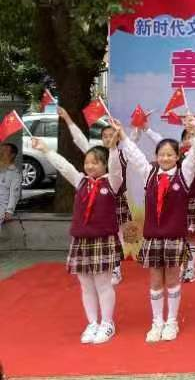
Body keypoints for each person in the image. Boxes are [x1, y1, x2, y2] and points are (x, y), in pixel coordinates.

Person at [116, 117, 195, 342]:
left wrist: (194, 131)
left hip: (174, 238)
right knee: (155, 281)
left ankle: (172, 321)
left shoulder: (184, 173)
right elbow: (134, 155)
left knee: (172, 279)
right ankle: (157, 322)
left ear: (178, 157)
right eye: (162, 154)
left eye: (170, 154)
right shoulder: (149, 173)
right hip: (153, 239)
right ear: (156, 156)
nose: (165, 158)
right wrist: (122, 135)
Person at [30, 137, 122, 344]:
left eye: (95, 162)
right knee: (86, 285)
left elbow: (116, 168)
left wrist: (114, 149)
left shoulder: (112, 182)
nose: (89, 166)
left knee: (103, 284)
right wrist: (45, 150)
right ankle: (92, 323)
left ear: (104, 164)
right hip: (81, 240)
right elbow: (64, 166)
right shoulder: (81, 181)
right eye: (87, 162)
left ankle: (107, 323)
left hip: (102, 240)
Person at [59, 107, 131, 285]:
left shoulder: (123, 153)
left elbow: (133, 141)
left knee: (117, 233)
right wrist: (68, 119)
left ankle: (115, 268)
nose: (108, 138)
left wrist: (133, 129)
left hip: (115, 197)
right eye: (105, 136)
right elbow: (80, 140)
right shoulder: (96, 153)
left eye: (111, 135)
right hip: (98, 199)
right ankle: (97, 264)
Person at [0, 143, 22, 227]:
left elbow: (14, 193)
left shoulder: (14, 173)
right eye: (1, 149)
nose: (1, 152)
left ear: (12, 155)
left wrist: (9, 211)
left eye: (5, 150)